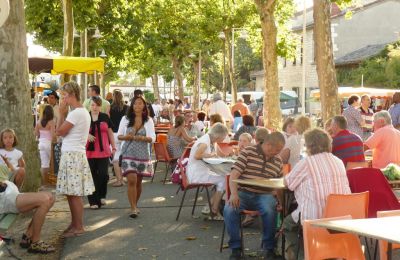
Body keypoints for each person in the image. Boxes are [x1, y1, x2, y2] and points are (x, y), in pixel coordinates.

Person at [283, 128, 351, 259]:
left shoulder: (306, 163)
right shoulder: (338, 161)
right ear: (329, 144)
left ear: (309, 146)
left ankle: (302, 255)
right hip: (342, 216)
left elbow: (288, 183)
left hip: (315, 218)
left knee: (288, 224)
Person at [224, 132, 286, 260]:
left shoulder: (278, 160)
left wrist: (281, 203)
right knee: (229, 209)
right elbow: (234, 175)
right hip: (244, 193)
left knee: (270, 209)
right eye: (277, 150)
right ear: (269, 145)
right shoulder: (248, 152)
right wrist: (233, 194)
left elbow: (279, 184)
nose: (278, 153)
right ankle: (236, 248)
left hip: (265, 194)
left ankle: (269, 248)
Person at [56, 81, 95, 238]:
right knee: (72, 193)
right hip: (74, 154)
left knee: (74, 193)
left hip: (73, 155)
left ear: (70, 95)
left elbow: (59, 131)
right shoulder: (82, 112)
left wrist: (61, 113)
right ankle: (75, 224)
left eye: (63, 95)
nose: (62, 99)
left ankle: (78, 226)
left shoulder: (76, 113)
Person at [118, 96, 156, 218]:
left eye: (140, 104)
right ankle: (133, 208)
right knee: (132, 179)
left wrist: (143, 138)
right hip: (128, 151)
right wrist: (126, 137)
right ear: (132, 106)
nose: (137, 106)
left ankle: (134, 204)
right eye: (135, 104)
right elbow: (119, 136)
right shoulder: (125, 118)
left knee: (138, 182)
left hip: (143, 153)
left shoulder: (148, 120)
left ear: (144, 106)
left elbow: (152, 138)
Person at [187, 123, 229, 220]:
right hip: (197, 174)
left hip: (196, 171)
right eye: (224, 137)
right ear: (219, 135)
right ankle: (213, 209)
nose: (224, 139)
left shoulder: (207, 139)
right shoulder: (205, 141)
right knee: (224, 180)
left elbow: (217, 154)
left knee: (222, 179)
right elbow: (197, 156)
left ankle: (210, 207)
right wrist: (210, 155)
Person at [0, 181, 55, 253]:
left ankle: (28, 235)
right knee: (45, 200)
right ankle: (35, 242)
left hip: (8, 192)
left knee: (51, 197)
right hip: (4, 197)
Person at [86, 97, 116, 209]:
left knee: (103, 175)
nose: (95, 107)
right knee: (91, 176)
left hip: (103, 151)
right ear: (90, 105)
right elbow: (78, 131)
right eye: (93, 105)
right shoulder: (85, 117)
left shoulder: (104, 117)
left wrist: (113, 147)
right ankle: (93, 201)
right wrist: (86, 135)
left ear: (100, 106)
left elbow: (110, 133)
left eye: (97, 105)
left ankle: (102, 195)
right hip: (89, 151)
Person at [110, 90, 129, 187]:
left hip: (113, 134)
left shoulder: (110, 108)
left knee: (116, 159)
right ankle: (124, 177)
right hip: (124, 134)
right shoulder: (127, 107)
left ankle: (119, 179)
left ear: (113, 96)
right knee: (124, 156)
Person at [35, 105, 56, 185]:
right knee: (51, 163)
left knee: (44, 164)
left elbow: (36, 133)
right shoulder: (51, 122)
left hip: (40, 143)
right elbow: (53, 135)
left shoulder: (38, 122)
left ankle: (44, 182)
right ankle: (50, 181)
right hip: (48, 143)